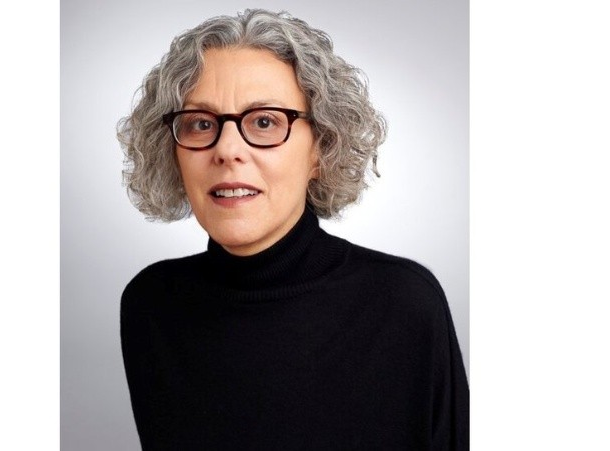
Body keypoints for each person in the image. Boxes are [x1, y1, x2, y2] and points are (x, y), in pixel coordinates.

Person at [117, 9, 468, 450]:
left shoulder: (403, 304)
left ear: (321, 148)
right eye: (201, 124)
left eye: (264, 121)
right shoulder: (151, 306)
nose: (227, 150)